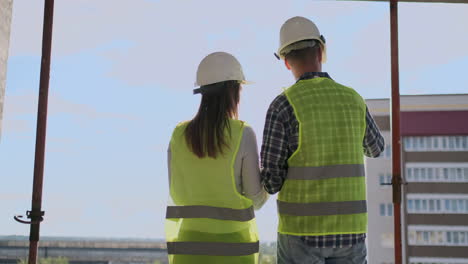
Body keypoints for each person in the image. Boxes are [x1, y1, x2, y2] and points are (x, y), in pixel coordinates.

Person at [261, 16, 385, 263]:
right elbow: (376, 148)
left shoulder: (283, 105)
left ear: (286, 62)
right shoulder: (353, 99)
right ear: (321, 50)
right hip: (351, 232)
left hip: (301, 234)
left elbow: (271, 182)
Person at [165, 52, 268, 264]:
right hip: (235, 251)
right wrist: (268, 179)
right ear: (234, 90)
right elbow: (256, 199)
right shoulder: (243, 133)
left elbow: (177, 194)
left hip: (187, 250)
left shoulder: (178, 135)